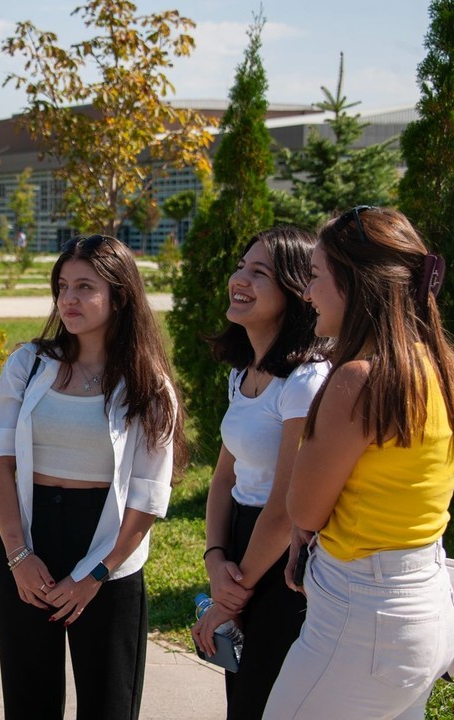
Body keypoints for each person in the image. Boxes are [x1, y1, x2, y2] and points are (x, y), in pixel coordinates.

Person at [263, 207, 454, 719]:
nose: (307, 293)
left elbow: (304, 510)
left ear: (355, 284)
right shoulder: (441, 365)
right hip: (426, 604)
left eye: (316, 275)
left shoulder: (358, 380)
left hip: (365, 617)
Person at [0, 234, 186, 719]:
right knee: (29, 705)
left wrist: (96, 574)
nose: (68, 299)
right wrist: (18, 555)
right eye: (62, 287)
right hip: (29, 541)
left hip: (108, 549)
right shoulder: (28, 364)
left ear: (119, 295)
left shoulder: (148, 385)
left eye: (85, 287)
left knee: (109, 704)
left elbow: (147, 497)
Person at [191, 227, 330, 720]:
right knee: (241, 699)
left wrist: (235, 593)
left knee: (261, 703)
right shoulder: (242, 374)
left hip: (283, 561)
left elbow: (287, 504)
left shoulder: (306, 380)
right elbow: (223, 478)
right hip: (240, 544)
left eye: (259, 272)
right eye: (240, 267)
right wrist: (215, 558)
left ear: (295, 290)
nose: (240, 279)